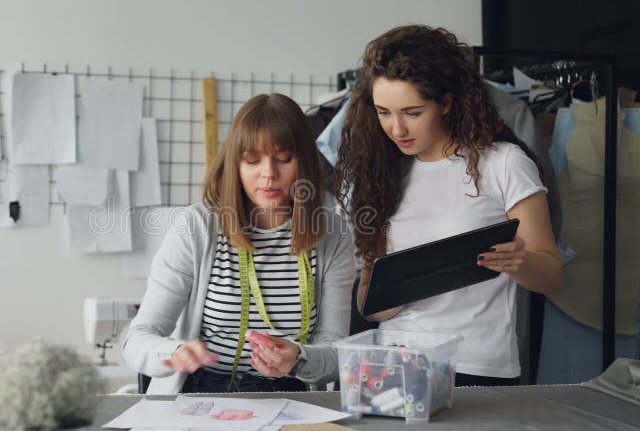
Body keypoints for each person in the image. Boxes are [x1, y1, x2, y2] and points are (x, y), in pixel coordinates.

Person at [334, 25, 563, 387]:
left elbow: (551, 276)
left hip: (477, 365)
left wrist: (521, 262)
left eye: (412, 112)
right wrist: (393, 288)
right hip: (396, 362)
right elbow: (370, 307)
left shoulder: (504, 163)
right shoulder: (380, 175)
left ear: (446, 102)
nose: (396, 129)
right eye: (383, 112)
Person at [122, 93, 355, 394]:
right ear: (235, 164)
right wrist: (174, 352)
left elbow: (337, 353)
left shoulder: (332, 233)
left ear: (305, 162)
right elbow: (137, 338)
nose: (268, 174)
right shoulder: (197, 227)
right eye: (253, 160)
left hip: (289, 396)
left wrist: (299, 359)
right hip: (202, 392)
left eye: (283, 159)